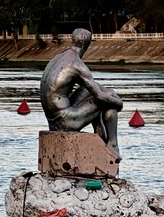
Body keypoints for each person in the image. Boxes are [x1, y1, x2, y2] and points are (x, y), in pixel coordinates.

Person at [40, 28, 124, 158]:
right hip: (65, 122)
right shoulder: (77, 65)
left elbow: (93, 89)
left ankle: (100, 135)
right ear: (86, 44)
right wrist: (119, 103)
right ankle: (113, 144)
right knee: (108, 100)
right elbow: (100, 97)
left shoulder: (59, 57)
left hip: (53, 121)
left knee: (96, 90)